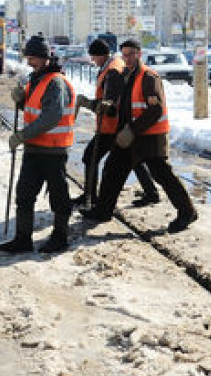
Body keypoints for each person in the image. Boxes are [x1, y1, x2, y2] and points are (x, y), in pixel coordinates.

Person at [82, 39, 198, 233]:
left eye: (131, 54)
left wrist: (131, 130)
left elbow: (155, 110)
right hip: (129, 137)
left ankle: (187, 212)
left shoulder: (148, 77)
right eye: (124, 55)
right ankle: (103, 210)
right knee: (112, 169)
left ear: (139, 53)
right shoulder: (128, 76)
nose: (127, 58)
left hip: (149, 137)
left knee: (163, 175)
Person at [0, 35, 76, 255]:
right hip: (34, 149)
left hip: (53, 150)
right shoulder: (36, 79)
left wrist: (22, 135)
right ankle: (23, 239)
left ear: (45, 58)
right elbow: (35, 110)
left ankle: (60, 238)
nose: (29, 61)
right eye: (28, 57)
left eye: (33, 57)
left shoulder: (56, 83)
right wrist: (21, 100)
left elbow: (51, 116)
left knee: (58, 196)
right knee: (24, 194)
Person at [74, 37, 159, 209]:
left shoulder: (112, 72)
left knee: (90, 157)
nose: (92, 60)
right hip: (117, 125)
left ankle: (90, 196)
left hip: (111, 126)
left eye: (94, 56)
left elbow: (110, 106)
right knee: (133, 159)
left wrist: (89, 104)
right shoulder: (115, 66)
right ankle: (151, 193)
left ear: (102, 55)